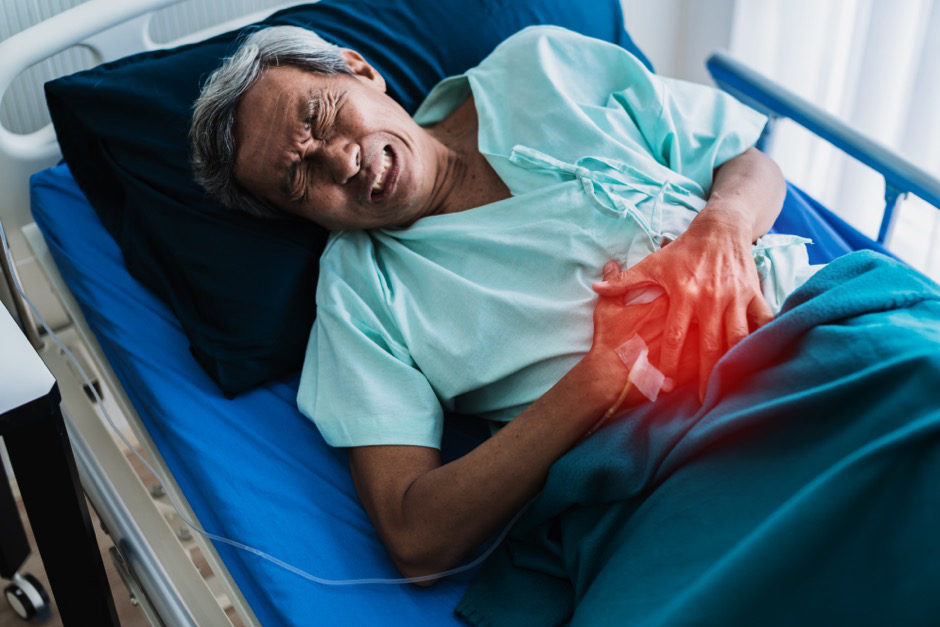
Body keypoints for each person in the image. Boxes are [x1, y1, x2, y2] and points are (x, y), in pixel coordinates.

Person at [190, 25, 820, 581]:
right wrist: (602, 373)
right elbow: (416, 538)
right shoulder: (362, 294)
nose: (342, 161)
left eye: (322, 115)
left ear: (359, 70)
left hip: (812, 321)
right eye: (299, 181)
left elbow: (744, 160)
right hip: (684, 464)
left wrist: (724, 229)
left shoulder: (540, 63)